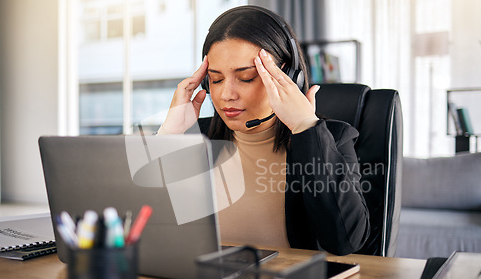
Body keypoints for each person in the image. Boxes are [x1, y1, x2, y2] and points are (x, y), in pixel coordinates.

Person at [158, 5, 370, 255]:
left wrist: (305, 127)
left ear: (289, 76)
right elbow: (137, 229)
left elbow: (345, 241)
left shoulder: (334, 139)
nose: (226, 94)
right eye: (216, 79)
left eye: (246, 77)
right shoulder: (195, 141)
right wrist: (168, 137)